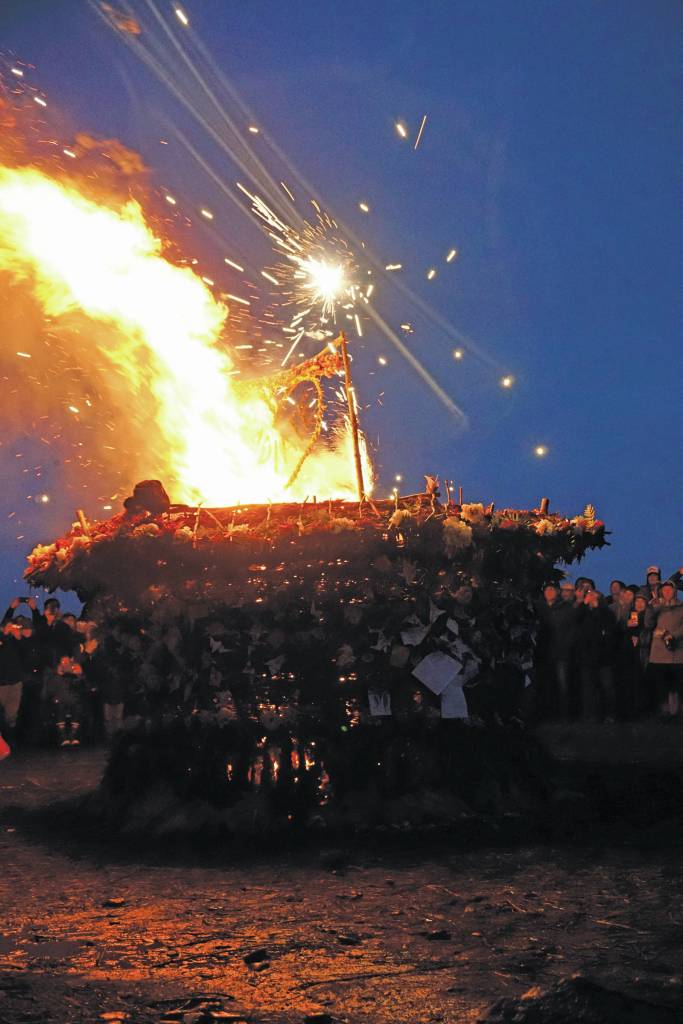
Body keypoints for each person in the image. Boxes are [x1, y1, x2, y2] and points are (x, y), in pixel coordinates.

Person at [536, 582, 577, 719]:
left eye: (552, 589)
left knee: (563, 684)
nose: (549, 592)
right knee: (547, 683)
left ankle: (565, 715)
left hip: (561, 652)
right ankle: (549, 713)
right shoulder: (539, 608)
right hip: (544, 652)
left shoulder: (566, 608)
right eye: (547, 589)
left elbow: (572, 630)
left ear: (558, 591)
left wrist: (566, 646)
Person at [576, 590, 618, 720]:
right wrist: (584, 604)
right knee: (588, 688)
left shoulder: (606, 613)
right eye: (588, 594)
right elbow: (575, 620)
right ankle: (591, 715)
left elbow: (610, 631)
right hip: (587, 656)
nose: (591, 596)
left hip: (604, 657)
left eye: (594, 594)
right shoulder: (582, 612)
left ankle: (610, 715)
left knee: (607, 687)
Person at [646, 580, 683, 716]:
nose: (667, 592)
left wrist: (674, 636)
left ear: (674, 591)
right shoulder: (657, 607)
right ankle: (665, 711)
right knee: (662, 684)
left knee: (677, 684)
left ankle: (676, 710)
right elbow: (648, 624)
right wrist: (652, 609)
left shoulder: (681, 607)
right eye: (665, 590)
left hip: (676, 651)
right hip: (659, 651)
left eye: (670, 589)